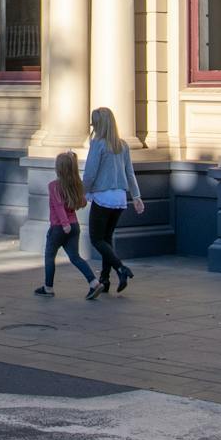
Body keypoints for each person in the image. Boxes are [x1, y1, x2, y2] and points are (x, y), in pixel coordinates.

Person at [81, 105, 144, 299]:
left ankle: (121, 268)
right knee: (107, 239)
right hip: (119, 198)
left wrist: (82, 193)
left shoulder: (98, 144)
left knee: (96, 239)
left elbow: (90, 173)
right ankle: (106, 280)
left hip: (102, 196)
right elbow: (129, 172)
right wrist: (136, 197)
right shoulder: (122, 145)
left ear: (98, 125)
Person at [35, 149, 97, 297]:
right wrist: (69, 224)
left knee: (49, 256)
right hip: (74, 226)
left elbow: (58, 206)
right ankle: (94, 282)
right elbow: (82, 202)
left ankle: (48, 288)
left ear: (59, 169)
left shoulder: (54, 186)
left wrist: (64, 224)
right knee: (75, 257)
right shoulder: (76, 184)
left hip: (59, 227)